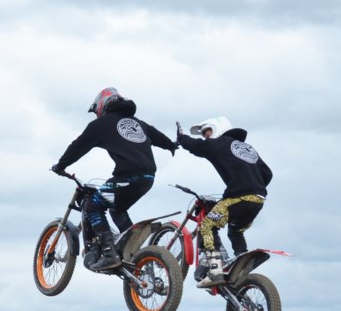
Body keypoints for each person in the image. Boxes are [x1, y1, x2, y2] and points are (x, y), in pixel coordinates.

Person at [51, 86, 175, 271]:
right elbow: (157, 135)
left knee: (93, 206)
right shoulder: (137, 123)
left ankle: (109, 253)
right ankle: (132, 251)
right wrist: (171, 145)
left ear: (102, 105)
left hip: (128, 176)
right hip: (148, 178)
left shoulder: (101, 125)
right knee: (117, 209)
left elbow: (78, 146)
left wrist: (61, 166)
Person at [176, 116, 273, 288]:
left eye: (208, 132)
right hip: (258, 199)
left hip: (238, 197)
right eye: (205, 134)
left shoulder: (222, 143)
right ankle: (242, 261)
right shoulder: (248, 148)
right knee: (236, 230)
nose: (207, 137)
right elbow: (268, 174)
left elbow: (199, 147)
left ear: (218, 128)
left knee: (207, 226)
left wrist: (183, 139)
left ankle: (215, 271)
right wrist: (253, 185)